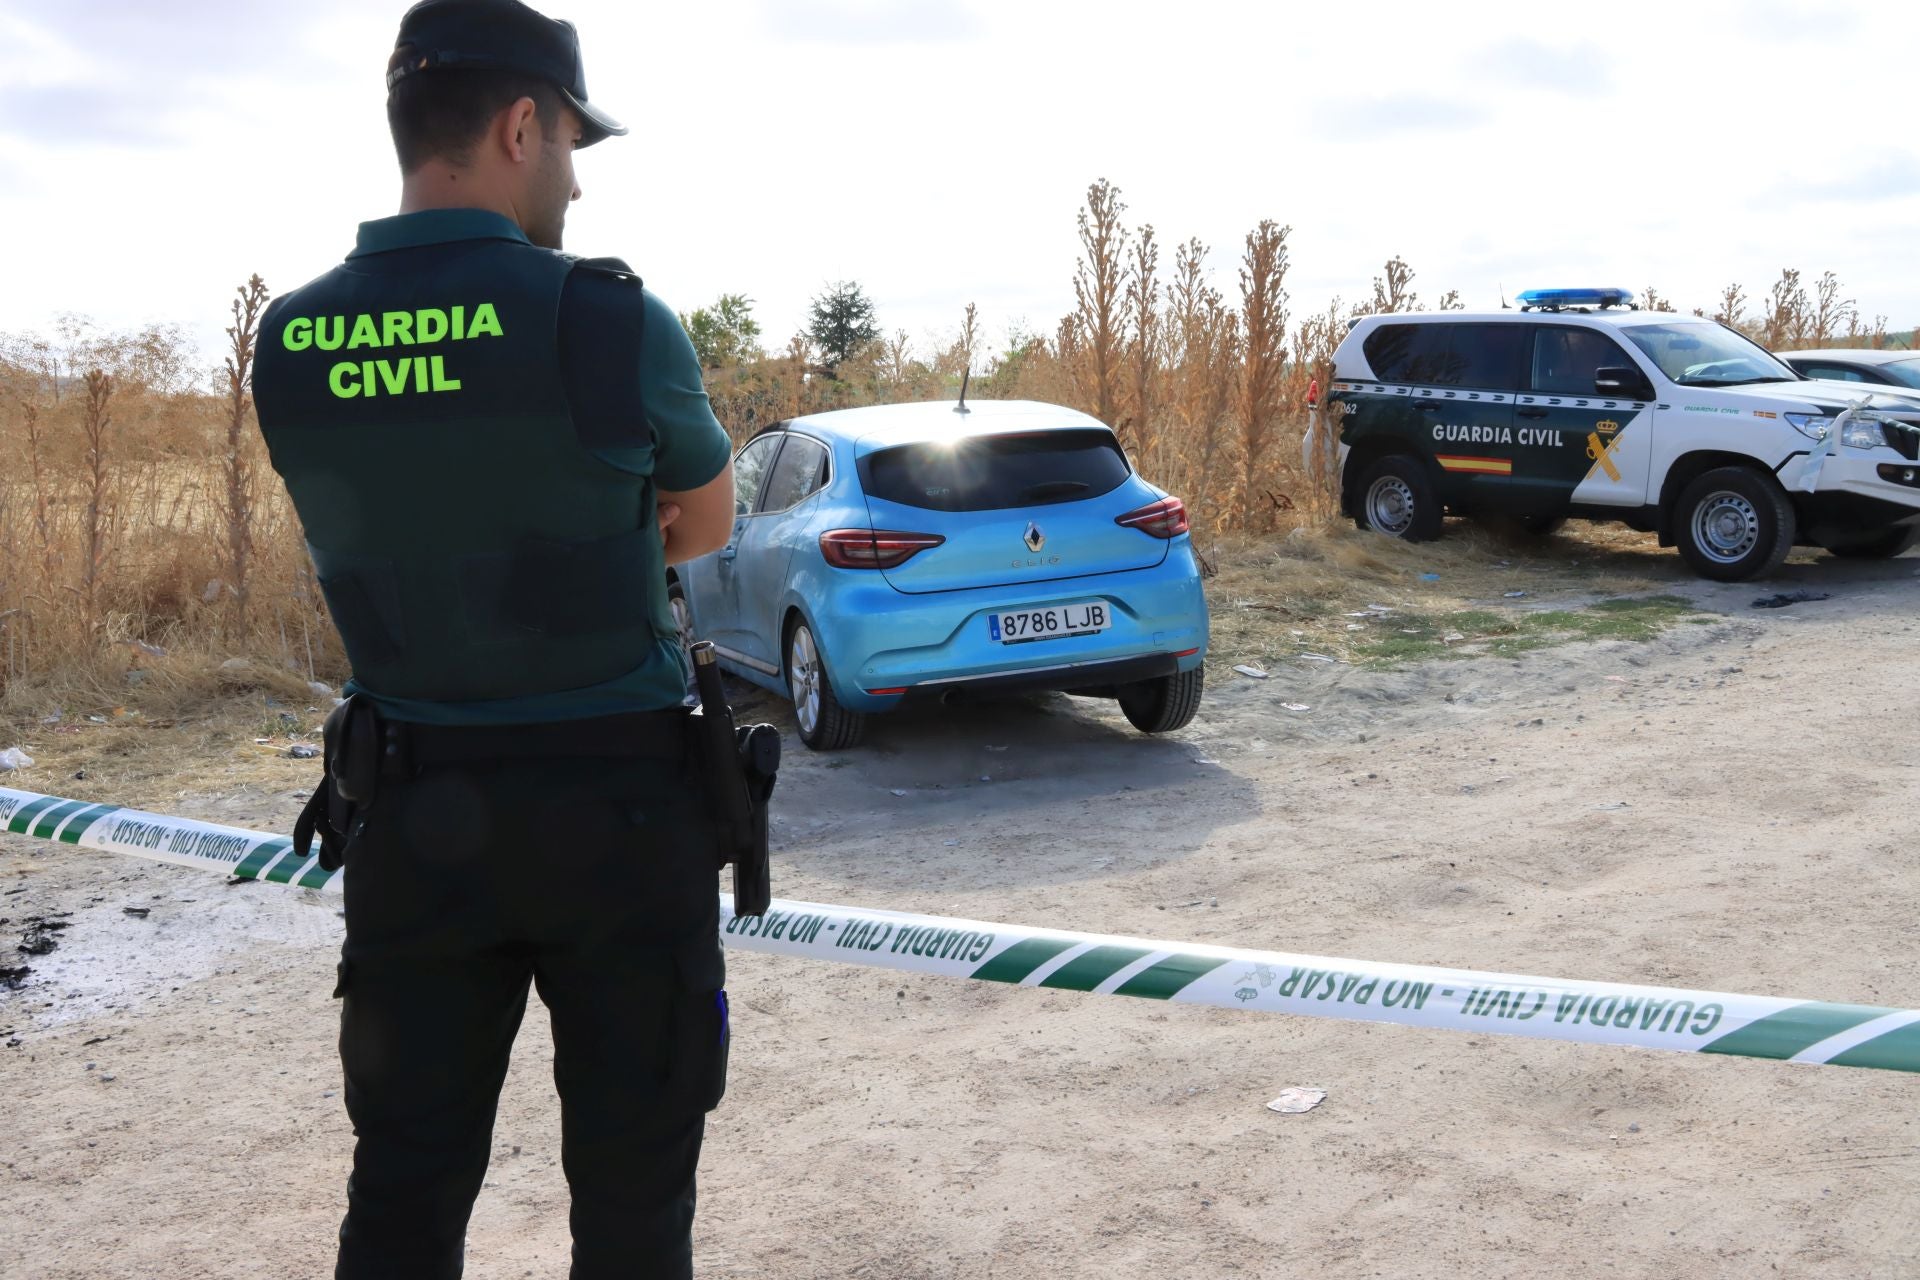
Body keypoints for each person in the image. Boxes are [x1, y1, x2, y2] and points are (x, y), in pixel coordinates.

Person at [251, 2, 738, 1275]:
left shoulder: (291, 338)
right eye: (573, 144)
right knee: (635, 1210)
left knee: (402, 1201)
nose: (574, 179)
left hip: (415, 823)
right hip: (623, 820)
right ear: (522, 124)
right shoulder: (609, 316)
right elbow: (705, 525)